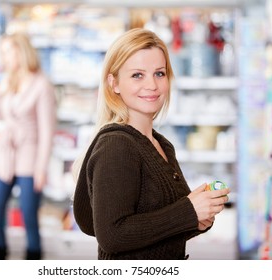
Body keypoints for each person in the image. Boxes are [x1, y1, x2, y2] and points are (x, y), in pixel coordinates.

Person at [72, 28, 230, 260]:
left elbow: (156, 227)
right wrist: (187, 211)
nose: (152, 85)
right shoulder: (117, 145)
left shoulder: (161, 145)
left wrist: (197, 219)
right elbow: (112, 236)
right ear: (113, 83)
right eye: (137, 75)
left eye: (159, 73)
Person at [0, 32, 56, 260]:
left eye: (8, 51)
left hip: (29, 158)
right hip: (3, 156)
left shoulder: (41, 85)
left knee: (29, 218)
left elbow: (47, 131)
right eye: (2, 52)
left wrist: (41, 168)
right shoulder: (8, 81)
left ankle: (33, 263)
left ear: (21, 51)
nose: (3, 57)